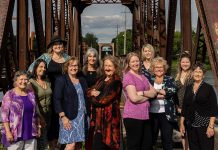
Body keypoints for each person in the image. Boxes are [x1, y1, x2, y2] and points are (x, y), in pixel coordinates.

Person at [28, 35, 70, 149]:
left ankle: (61, 145)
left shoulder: (67, 58)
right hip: (49, 92)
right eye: (55, 44)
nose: (58, 46)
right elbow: (31, 69)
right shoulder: (46, 57)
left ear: (63, 47)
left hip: (64, 95)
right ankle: (52, 146)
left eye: (60, 44)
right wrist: (27, 84)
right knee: (52, 124)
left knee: (62, 122)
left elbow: (75, 72)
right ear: (51, 47)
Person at [122, 52, 157, 150]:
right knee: (134, 146)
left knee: (147, 144)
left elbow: (153, 92)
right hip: (133, 116)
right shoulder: (128, 77)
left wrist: (142, 92)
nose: (135, 63)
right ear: (128, 64)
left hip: (145, 115)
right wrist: (148, 95)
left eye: (137, 61)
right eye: (132, 61)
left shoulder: (143, 76)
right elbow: (134, 98)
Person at [180, 62, 218, 150]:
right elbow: (185, 106)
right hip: (191, 125)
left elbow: (214, 109)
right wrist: (182, 123)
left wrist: (211, 126)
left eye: (200, 72)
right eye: (195, 71)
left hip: (204, 126)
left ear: (203, 75)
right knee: (194, 147)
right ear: (192, 73)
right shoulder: (189, 87)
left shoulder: (208, 88)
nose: (197, 74)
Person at [87, 55, 122, 150]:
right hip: (98, 120)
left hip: (109, 121)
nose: (107, 68)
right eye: (106, 66)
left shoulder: (116, 82)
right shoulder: (101, 79)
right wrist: (93, 93)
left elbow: (103, 100)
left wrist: (95, 95)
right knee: (96, 146)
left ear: (115, 67)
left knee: (109, 145)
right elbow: (88, 91)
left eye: (110, 66)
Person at [53, 57, 89, 150]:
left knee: (79, 145)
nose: (74, 67)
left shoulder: (82, 80)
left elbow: (85, 95)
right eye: (71, 65)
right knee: (70, 145)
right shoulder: (61, 80)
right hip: (68, 117)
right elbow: (57, 99)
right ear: (67, 67)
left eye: (76, 65)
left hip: (82, 117)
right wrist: (63, 117)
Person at [1, 71, 41, 149]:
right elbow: (4, 116)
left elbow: (36, 113)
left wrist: (39, 127)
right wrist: (8, 132)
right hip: (14, 134)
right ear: (16, 81)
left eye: (26, 79)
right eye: (21, 79)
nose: (23, 81)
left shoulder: (31, 94)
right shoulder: (9, 95)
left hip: (31, 133)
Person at [149, 57, 178, 150]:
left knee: (167, 140)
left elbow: (171, 91)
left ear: (164, 68)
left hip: (167, 114)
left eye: (161, 67)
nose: (159, 69)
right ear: (153, 69)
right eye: (156, 67)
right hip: (151, 114)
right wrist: (162, 93)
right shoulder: (149, 80)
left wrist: (154, 92)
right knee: (151, 140)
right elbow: (146, 94)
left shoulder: (170, 79)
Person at [29, 59, 52, 150]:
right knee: (42, 141)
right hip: (38, 115)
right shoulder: (31, 82)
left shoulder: (47, 81)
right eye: (40, 67)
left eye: (44, 67)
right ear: (35, 68)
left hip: (48, 114)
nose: (43, 69)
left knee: (44, 138)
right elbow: (33, 101)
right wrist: (39, 116)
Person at [82, 48, 101, 150]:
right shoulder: (82, 72)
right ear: (87, 58)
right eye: (90, 56)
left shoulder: (100, 72)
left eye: (94, 56)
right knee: (88, 128)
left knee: (97, 128)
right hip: (86, 103)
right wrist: (90, 91)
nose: (92, 58)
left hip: (98, 103)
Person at [175, 52, 192, 150]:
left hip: (190, 110)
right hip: (179, 110)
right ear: (180, 63)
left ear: (190, 63)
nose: (185, 64)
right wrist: (177, 107)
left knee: (190, 133)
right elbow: (174, 95)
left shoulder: (193, 76)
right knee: (182, 133)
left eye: (187, 62)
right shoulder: (177, 76)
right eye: (183, 62)